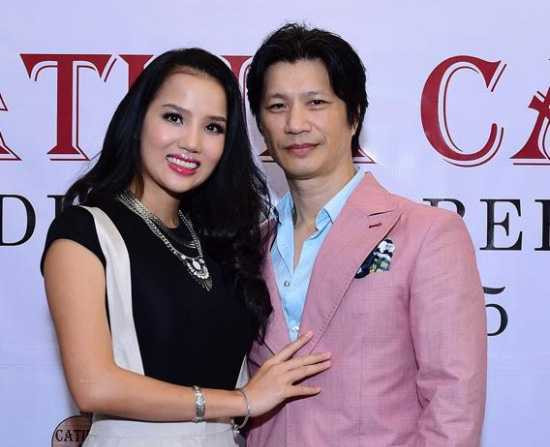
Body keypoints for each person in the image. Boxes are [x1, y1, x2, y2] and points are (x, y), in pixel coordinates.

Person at [41, 48, 331, 447]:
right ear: (138, 120)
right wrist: (241, 401)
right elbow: (95, 385)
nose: (192, 142)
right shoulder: (85, 231)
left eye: (213, 127)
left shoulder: (222, 242)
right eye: (174, 118)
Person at [245, 24, 487, 446]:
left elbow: (454, 404)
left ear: (354, 115)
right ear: (261, 126)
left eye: (316, 103)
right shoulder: (249, 246)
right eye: (277, 106)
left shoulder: (427, 234)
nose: (295, 124)